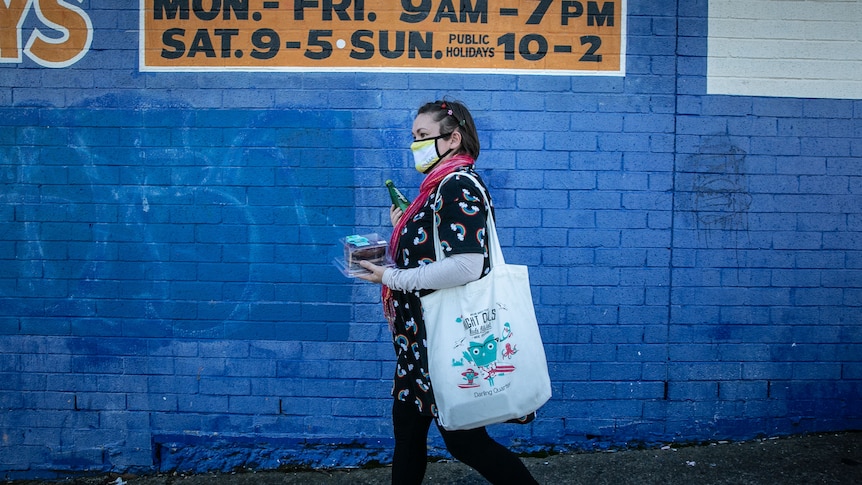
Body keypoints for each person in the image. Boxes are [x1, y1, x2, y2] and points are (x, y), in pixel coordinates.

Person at [357, 100, 539, 485]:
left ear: (453, 138)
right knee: (408, 439)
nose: (415, 145)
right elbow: (431, 252)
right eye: (413, 137)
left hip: (440, 343)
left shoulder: (457, 184)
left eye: (423, 136)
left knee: (465, 444)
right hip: (418, 347)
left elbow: (467, 265)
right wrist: (403, 226)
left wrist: (390, 278)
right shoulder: (436, 188)